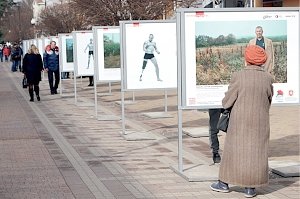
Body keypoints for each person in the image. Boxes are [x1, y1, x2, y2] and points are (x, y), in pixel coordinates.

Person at [210, 45, 273, 198]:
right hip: (260, 121)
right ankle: (250, 188)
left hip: (240, 122)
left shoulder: (238, 76)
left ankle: (224, 183)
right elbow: (269, 99)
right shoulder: (267, 78)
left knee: (233, 152)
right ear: (262, 61)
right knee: (256, 153)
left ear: (247, 59)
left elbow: (227, 101)